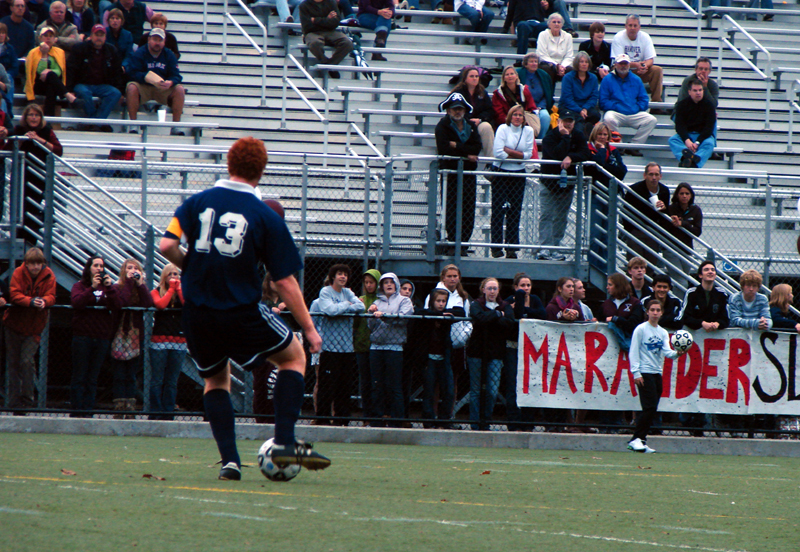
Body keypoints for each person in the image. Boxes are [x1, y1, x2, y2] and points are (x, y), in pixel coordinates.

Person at [159, 137, 328, 481]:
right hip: (239, 311)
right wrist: (309, 328)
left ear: (228, 163)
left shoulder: (196, 203)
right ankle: (283, 443)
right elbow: (285, 281)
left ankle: (230, 463)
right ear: (261, 171)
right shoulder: (265, 215)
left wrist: (190, 266)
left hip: (198, 314)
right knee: (294, 357)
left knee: (215, 379)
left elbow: (166, 245)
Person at [627, 298, 686, 453]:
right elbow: (633, 351)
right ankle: (636, 439)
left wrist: (677, 353)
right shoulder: (641, 329)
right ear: (647, 312)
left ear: (661, 312)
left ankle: (642, 439)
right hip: (644, 372)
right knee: (649, 406)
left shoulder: (663, 332)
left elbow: (666, 351)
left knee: (652, 408)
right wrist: (636, 372)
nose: (655, 313)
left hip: (656, 372)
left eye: (657, 310)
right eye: (652, 310)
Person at [3, 246, 56, 409]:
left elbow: (52, 295)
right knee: (13, 363)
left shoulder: (49, 275)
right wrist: (31, 301)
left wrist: (44, 302)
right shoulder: (18, 273)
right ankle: (13, 402)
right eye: (31, 264)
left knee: (26, 361)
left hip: (34, 327)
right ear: (26, 264)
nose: (34, 267)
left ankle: (27, 401)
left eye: (37, 264)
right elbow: (14, 294)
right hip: (13, 324)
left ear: (42, 264)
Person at [70, 255, 120, 416]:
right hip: (82, 336)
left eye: (101, 266)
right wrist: (91, 287)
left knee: (92, 377)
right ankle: (76, 410)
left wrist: (110, 288)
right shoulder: (79, 286)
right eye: (95, 265)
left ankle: (88, 411)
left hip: (101, 337)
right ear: (89, 268)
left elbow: (118, 306)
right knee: (80, 376)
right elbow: (77, 303)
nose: (99, 268)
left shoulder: (108, 288)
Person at [315, 263, 364, 425]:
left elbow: (361, 307)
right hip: (330, 348)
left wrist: (343, 308)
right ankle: (322, 420)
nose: (343, 277)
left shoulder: (348, 292)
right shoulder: (325, 292)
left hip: (347, 349)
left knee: (345, 387)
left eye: (345, 274)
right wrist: (346, 306)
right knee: (327, 387)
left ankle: (342, 420)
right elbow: (329, 310)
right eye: (340, 274)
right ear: (333, 276)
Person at [539, 109, 590, 260]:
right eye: (565, 121)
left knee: (561, 217)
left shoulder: (579, 135)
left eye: (570, 121)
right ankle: (544, 249)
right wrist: (566, 137)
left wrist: (570, 157)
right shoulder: (551, 135)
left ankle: (554, 248)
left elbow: (585, 153)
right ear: (559, 121)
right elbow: (556, 154)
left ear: (574, 122)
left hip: (566, 184)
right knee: (546, 216)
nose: (567, 124)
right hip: (548, 183)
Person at [435, 92, 482, 256]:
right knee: (451, 208)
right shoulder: (442, 126)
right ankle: (452, 242)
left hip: (468, 174)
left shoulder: (471, 126)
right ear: (448, 110)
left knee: (468, 208)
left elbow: (476, 148)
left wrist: (458, 147)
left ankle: (463, 244)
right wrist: (466, 154)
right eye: (454, 109)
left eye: (460, 109)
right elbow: (444, 149)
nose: (457, 112)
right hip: (451, 174)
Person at [7, 104, 62, 242]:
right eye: (30, 115)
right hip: (21, 175)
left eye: (36, 115)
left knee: (35, 207)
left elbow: (58, 150)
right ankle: (18, 238)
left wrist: (39, 139)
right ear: (25, 117)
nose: (33, 118)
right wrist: (21, 139)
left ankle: (32, 239)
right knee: (19, 207)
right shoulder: (18, 129)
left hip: (39, 176)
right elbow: (8, 149)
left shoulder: (46, 131)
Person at [366, 272, 413, 425]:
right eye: (385, 282)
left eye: (391, 282)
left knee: (395, 386)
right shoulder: (376, 302)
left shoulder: (404, 300)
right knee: (376, 385)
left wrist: (384, 315)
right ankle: (377, 420)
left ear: (396, 284)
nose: (388, 284)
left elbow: (404, 318)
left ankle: (397, 421)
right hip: (376, 347)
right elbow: (371, 327)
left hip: (394, 348)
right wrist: (370, 314)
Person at [110, 258, 153, 418]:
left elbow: (148, 303)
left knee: (131, 374)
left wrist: (140, 284)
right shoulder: (117, 287)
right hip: (118, 334)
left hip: (135, 336)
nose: (133, 270)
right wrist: (128, 282)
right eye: (129, 268)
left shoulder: (140, 289)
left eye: (135, 268)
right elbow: (122, 302)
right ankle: (119, 407)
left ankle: (130, 407)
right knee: (120, 373)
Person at [466, 277, 511, 429]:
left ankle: (486, 421)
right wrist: (498, 315)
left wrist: (491, 317)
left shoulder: (505, 305)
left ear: (499, 290)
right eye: (489, 288)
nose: (492, 291)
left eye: (495, 288)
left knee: (492, 390)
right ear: (483, 289)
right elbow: (479, 318)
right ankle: (474, 423)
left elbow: (509, 322)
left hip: (496, 353)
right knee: (476, 390)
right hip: (476, 351)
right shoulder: (476, 304)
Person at [503, 272, 546, 428]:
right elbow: (517, 314)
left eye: (528, 285)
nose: (526, 288)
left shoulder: (535, 300)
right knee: (512, 384)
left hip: (531, 349)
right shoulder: (509, 300)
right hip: (513, 347)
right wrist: (519, 301)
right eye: (522, 286)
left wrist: (525, 311)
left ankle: (528, 421)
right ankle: (513, 421)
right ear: (515, 287)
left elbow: (542, 314)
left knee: (530, 384)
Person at [490, 104, 534, 259]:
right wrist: (518, 156)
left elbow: (528, 155)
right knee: (498, 209)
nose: (517, 117)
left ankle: (511, 247)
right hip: (501, 172)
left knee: (515, 210)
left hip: (518, 174)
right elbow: (498, 153)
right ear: (510, 116)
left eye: (520, 115)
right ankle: (495, 247)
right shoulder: (502, 128)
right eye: (514, 114)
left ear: (524, 118)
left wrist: (509, 151)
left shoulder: (528, 131)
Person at [124, 27, 185, 134]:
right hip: (144, 86)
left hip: (162, 88)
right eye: (155, 39)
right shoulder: (140, 52)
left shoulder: (169, 54)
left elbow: (177, 76)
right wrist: (145, 77)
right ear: (149, 40)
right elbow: (132, 72)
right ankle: (133, 124)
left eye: (160, 40)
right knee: (131, 87)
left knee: (179, 89)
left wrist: (170, 82)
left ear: (164, 42)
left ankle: (176, 126)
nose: (157, 43)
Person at [419, 288, 464, 426]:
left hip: (444, 358)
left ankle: (445, 419)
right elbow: (420, 312)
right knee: (429, 390)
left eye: (443, 301)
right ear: (433, 301)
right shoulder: (426, 315)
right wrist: (437, 314)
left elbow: (461, 312)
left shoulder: (447, 316)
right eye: (438, 301)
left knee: (448, 390)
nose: (441, 304)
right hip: (429, 358)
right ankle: (428, 420)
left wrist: (444, 314)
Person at [66, 24, 124, 130]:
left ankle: (94, 123)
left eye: (101, 35)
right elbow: (71, 69)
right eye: (96, 35)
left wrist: (120, 89)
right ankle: (97, 122)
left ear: (105, 37)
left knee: (115, 93)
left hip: (103, 86)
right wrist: (69, 89)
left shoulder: (111, 50)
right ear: (91, 36)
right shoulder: (79, 48)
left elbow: (117, 72)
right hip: (82, 84)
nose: (99, 38)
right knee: (84, 92)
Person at [586, 121, 627, 270]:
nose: (603, 137)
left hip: (611, 196)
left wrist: (604, 165)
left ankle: (606, 267)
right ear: (594, 135)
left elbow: (621, 172)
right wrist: (602, 153)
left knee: (608, 235)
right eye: (600, 134)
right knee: (595, 234)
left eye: (605, 134)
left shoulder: (614, 150)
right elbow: (594, 168)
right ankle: (593, 267)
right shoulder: (588, 149)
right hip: (595, 195)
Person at [598, 53, 656, 156]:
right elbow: (603, 101)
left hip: (634, 113)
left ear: (629, 65)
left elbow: (644, 99)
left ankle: (634, 145)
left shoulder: (636, 79)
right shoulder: (607, 79)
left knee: (651, 120)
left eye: (625, 63)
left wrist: (637, 107)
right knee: (608, 118)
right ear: (615, 64)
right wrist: (616, 106)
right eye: (621, 63)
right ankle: (617, 145)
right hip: (616, 113)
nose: (623, 66)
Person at [149, 263, 186, 421]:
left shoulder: (183, 292)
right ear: (164, 277)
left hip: (179, 341)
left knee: (172, 380)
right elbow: (160, 305)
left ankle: (168, 412)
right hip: (159, 341)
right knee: (158, 378)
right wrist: (171, 289)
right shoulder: (155, 291)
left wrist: (178, 289)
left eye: (176, 274)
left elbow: (188, 305)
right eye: (170, 274)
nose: (173, 277)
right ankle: (155, 412)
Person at [623, 163, 676, 270]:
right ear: (645, 175)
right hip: (637, 231)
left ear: (660, 176)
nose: (654, 178)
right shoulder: (634, 189)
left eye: (656, 174)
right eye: (651, 174)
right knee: (634, 265)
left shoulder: (664, 190)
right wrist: (631, 230)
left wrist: (664, 208)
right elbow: (626, 212)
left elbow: (665, 214)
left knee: (650, 265)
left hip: (653, 232)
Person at [611, 14, 663, 105]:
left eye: (635, 25)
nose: (632, 28)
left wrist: (644, 66)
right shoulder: (618, 37)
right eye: (630, 25)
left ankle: (656, 103)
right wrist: (636, 65)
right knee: (618, 68)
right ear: (625, 26)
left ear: (639, 27)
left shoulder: (645, 37)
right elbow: (618, 62)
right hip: (622, 69)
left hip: (639, 70)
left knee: (657, 70)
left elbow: (650, 59)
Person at [25, 26, 77, 116]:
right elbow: (39, 72)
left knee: (51, 86)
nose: (48, 38)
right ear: (40, 38)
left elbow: (59, 71)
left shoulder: (60, 52)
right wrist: (44, 54)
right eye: (45, 35)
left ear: (54, 39)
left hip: (53, 83)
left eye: (51, 36)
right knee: (51, 78)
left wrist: (49, 72)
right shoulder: (33, 52)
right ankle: (66, 94)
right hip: (37, 83)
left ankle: (49, 117)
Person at [669, 77, 716, 168]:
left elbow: (709, 128)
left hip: (702, 136)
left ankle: (693, 162)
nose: (698, 93)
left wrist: (697, 142)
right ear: (689, 91)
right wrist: (687, 141)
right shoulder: (682, 105)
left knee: (710, 143)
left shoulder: (709, 106)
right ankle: (686, 158)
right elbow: (679, 126)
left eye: (700, 90)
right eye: (695, 90)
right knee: (673, 140)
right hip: (688, 135)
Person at [299, 0, 353, 79]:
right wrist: (327, 19)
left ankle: (331, 65)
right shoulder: (304, 5)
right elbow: (307, 26)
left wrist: (315, 20)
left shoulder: (331, 3)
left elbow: (336, 22)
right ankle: (325, 63)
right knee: (315, 43)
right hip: (312, 32)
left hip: (330, 31)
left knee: (347, 43)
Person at [450, 66, 495, 157]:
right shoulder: (458, 93)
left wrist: (480, 119)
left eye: (476, 76)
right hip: (461, 123)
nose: (474, 78)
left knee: (487, 127)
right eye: (471, 76)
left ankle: (490, 161)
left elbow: (489, 110)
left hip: (478, 123)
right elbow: (454, 110)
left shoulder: (483, 92)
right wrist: (469, 121)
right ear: (465, 79)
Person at [354, 268, 379, 420]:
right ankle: (367, 415)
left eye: (372, 282)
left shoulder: (382, 299)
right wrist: (358, 308)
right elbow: (355, 324)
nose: (369, 285)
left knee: (377, 381)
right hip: (362, 345)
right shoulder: (360, 299)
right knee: (365, 382)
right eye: (366, 283)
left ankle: (378, 414)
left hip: (377, 345)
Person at [677, 260, 729, 332]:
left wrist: (718, 323)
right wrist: (702, 323)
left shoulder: (721, 294)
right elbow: (685, 317)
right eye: (706, 270)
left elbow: (726, 318)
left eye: (712, 270)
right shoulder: (691, 293)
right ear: (700, 275)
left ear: (715, 275)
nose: (710, 272)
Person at [667, 182, 702, 287]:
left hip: (687, 250)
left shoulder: (696, 210)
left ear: (691, 195)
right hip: (671, 249)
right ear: (677, 195)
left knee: (682, 279)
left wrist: (683, 224)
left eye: (687, 193)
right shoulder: (671, 208)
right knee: (681, 281)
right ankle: (682, 303)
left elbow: (697, 231)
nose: (684, 196)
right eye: (681, 193)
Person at [492, 64, 541, 138]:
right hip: (506, 123)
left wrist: (522, 122)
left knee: (544, 117)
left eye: (512, 74)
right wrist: (512, 122)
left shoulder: (524, 90)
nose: (510, 76)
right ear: (504, 78)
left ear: (516, 76)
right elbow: (499, 114)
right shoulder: (497, 94)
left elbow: (531, 107)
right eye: (507, 74)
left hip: (524, 122)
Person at [559, 51, 600, 135]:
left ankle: (584, 128)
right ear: (577, 63)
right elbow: (567, 98)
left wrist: (585, 108)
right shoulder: (568, 78)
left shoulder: (593, 78)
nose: (584, 64)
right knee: (576, 119)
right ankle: (584, 131)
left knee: (596, 115)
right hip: (570, 107)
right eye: (581, 62)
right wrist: (580, 110)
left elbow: (594, 97)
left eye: (586, 62)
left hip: (586, 108)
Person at [603, 272, 643, 351]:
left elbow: (634, 324)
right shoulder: (606, 304)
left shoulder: (635, 303)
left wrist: (616, 319)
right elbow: (600, 319)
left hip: (632, 344)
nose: (607, 287)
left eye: (610, 285)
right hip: (610, 349)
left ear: (619, 286)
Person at [515, 53, 554, 134]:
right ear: (525, 64)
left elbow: (547, 95)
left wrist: (540, 107)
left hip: (540, 106)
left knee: (545, 117)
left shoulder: (544, 75)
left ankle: (540, 141)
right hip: (524, 107)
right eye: (531, 62)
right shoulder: (519, 74)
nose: (534, 63)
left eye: (536, 61)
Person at [535, 12, 572, 82]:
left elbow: (569, 56)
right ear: (549, 25)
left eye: (559, 22)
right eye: (554, 22)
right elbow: (542, 55)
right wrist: (556, 66)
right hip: (547, 64)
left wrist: (562, 67)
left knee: (571, 72)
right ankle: (549, 93)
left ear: (562, 25)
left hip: (562, 65)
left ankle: (567, 93)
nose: (556, 24)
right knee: (547, 69)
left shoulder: (568, 36)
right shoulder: (543, 35)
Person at [0, 22, 20, 118]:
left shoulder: (10, 49)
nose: (1, 35)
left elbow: (15, 66)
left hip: (5, 76)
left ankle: (8, 107)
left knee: (8, 77)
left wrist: (5, 75)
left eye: (3, 33)